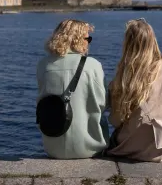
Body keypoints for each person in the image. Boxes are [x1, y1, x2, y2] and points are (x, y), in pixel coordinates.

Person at [107, 18, 162, 162]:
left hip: (139, 146)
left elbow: (117, 118)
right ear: (153, 40)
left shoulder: (126, 72)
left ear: (127, 44)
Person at [37, 19, 109, 159]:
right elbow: (103, 103)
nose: (88, 42)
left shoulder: (43, 65)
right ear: (78, 40)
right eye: (88, 38)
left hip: (53, 148)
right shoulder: (92, 65)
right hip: (90, 147)